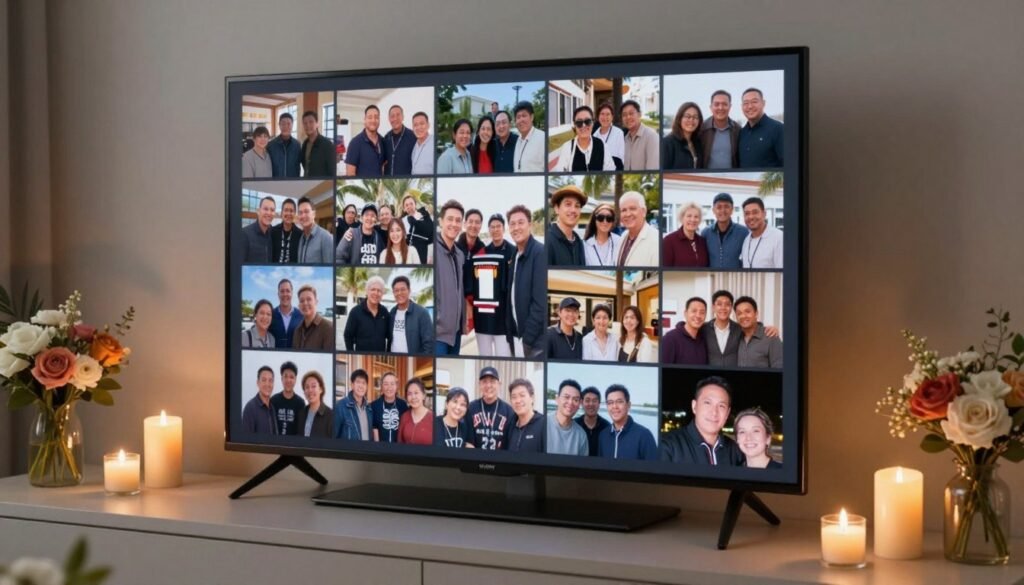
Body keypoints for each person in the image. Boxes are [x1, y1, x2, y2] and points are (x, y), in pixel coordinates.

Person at [659, 376, 744, 466]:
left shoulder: (735, 450)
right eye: (707, 403)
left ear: (727, 413)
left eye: (721, 406)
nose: (714, 412)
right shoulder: (668, 446)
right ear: (694, 406)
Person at [506, 204, 547, 359]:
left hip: (534, 343)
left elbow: (540, 304)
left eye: (520, 222)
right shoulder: (515, 255)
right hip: (517, 338)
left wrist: (527, 340)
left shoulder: (540, 253)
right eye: (512, 224)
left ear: (530, 225)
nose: (516, 227)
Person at [477, 214, 514, 357]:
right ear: (488, 230)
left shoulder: (513, 251)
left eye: (498, 226)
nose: (495, 229)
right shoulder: (483, 252)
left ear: (504, 228)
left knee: (503, 355)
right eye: (492, 227)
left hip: (504, 318)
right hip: (485, 315)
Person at [435, 200, 466, 355]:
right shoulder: (432, 250)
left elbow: (459, 289)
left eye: (458, 220)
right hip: (438, 334)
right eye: (450, 219)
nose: (454, 224)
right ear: (441, 221)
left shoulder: (460, 254)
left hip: (456, 332)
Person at [597, 384, 657, 460]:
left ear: (628, 405)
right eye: (610, 403)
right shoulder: (603, 435)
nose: (614, 406)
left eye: (619, 402)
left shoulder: (644, 435)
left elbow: (653, 469)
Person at [554, 105, 614, 172]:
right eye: (579, 122)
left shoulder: (602, 145)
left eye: (587, 121)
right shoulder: (567, 147)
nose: (583, 125)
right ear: (574, 125)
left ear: (592, 123)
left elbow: (610, 169)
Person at [456, 209, 486, 341]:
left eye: (477, 222)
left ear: (481, 225)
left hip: (477, 302)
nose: (474, 225)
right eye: (471, 222)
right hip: (458, 302)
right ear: (464, 224)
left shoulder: (484, 250)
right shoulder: (455, 248)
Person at [468, 367, 514, 450]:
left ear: (499, 384)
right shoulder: (470, 408)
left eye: (492, 381)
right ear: (479, 385)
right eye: (484, 382)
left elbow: (510, 442)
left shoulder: (509, 411)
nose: (488, 386)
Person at [737, 88, 784, 168]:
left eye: (754, 102)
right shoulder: (741, 133)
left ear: (763, 103)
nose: (750, 106)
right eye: (746, 103)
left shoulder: (778, 129)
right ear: (742, 106)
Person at [342, 276, 391, 352]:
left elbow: (389, 336)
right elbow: (348, 336)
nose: (376, 293)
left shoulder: (385, 312)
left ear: (382, 294)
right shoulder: (355, 312)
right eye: (373, 289)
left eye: (379, 290)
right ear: (367, 291)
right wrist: (351, 354)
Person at [701, 193, 748, 269]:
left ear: (732, 209)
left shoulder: (743, 232)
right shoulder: (706, 233)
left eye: (726, 207)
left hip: (735, 278)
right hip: (712, 278)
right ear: (713, 210)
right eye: (719, 207)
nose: (723, 210)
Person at [735, 296, 783, 368]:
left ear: (756, 313)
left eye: (747, 312)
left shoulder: (771, 336)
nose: (743, 316)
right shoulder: (734, 337)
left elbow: (779, 368)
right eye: (739, 313)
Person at [389, 275, 433, 354]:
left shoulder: (422, 313)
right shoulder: (392, 313)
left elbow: (429, 344)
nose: (399, 293)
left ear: (409, 291)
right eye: (396, 290)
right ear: (393, 293)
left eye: (403, 289)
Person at [546, 185, 586, 266]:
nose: (573, 210)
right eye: (568, 204)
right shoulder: (548, 241)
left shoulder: (579, 242)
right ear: (557, 208)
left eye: (577, 206)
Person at [661, 297, 709, 365]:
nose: (698, 315)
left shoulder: (704, 339)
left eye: (702, 312)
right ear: (685, 313)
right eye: (694, 311)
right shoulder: (669, 339)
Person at [699, 90, 740, 169]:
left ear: (730, 106)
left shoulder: (737, 130)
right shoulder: (701, 129)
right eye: (716, 104)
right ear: (711, 107)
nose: (720, 108)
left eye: (724, 104)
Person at [546, 380, 588, 456]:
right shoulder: (542, 424)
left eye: (575, 400)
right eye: (566, 397)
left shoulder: (581, 435)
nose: (570, 402)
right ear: (557, 399)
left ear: (579, 404)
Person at [616, 191, 658, 267]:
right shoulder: (623, 236)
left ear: (644, 211)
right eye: (624, 210)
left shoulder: (657, 240)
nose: (628, 214)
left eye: (632, 209)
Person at [740, 197, 783, 269]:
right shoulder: (746, 240)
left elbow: (783, 273)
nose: (751, 217)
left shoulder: (779, 238)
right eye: (747, 214)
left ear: (764, 214)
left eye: (755, 212)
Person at [662, 202, 709, 267]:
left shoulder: (702, 242)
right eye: (689, 216)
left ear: (700, 220)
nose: (693, 220)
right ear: (682, 218)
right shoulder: (668, 241)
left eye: (696, 217)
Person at [345, 105, 384, 177]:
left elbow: (383, 166)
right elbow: (350, 174)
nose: (373, 120)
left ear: (379, 120)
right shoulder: (355, 143)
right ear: (365, 120)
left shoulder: (383, 141)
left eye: (376, 117)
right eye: (370, 117)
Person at [662, 102, 704, 170]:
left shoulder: (698, 143)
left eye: (695, 117)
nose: (691, 120)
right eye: (687, 116)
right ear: (679, 118)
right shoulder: (667, 143)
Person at [291, 284, 333, 350]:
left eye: (309, 299)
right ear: (299, 305)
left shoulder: (329, 328)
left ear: (316, 302)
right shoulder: (297, 330)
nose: (305, 303)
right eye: (301, 301)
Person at [508, 379, 545, 453]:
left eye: (522, 395)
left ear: (532, 398)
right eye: (514, 397)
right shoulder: (510, 425)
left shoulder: (544, 425)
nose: (518, 401)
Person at [370, 371, 407, 443]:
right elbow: (375, 428)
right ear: (382, 387)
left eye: (392, 384)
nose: (389, 387)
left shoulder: (403, 405)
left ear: (397, 387)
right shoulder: (374, 405)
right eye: (386, 384)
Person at [620, 100, 658, 171]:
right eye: (624, 115)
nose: (628, 117)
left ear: (639, 114)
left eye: (631, 113)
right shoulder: (625, 139)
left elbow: (653, 169)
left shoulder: (651, 136)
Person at [334, 369, 371, 440]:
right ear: (352, 385)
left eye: (364, 383)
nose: (361, 386)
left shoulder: (369, 408)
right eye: (358, 382)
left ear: (366, 386)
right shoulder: (340, 406)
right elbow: (334, 436)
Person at [270, 361, 305, 436]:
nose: (288, 380)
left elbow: (301, 431)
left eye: (291, 377)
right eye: (285, 376)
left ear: (295, 379)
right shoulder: (273, 400)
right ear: (281, 378)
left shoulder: (300, 403)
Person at [295, 196, 334, 263]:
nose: (303, 215)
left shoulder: (326, 238)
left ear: (314, 214)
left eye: (306, 211)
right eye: (300, 213)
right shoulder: (301, 238)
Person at [583, 203, 622, 267]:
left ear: (612, 221)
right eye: (600, 217)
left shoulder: (619, 242)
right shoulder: (585, 245)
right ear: (594, 220)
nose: (605, 221)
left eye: (609, 218)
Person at [575, 386, 610, 457]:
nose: (591, 404)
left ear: (599, 404)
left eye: (594, 401)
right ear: (582, 403)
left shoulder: (607, 427)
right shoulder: (575, 424)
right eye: (587, 400)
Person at [296, 370, 332, 438]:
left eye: (313, 386)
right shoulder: (301, 414)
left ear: (321, 389)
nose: (310, 390)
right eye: (307, 387)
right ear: (304, 392)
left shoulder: (330, 416)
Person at [241, 365, 277, 434]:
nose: (267, 384)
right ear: (258, 383)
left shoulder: (272, 408)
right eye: (264, 380)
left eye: (270, 381)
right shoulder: (250, 408)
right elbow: (245, 441)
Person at [300, 110, 336, 177]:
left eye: (311, 122)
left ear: (317, 124)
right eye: (305, 123)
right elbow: (305, 165)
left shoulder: (327, 144)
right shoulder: (305, 144)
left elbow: (332, 171)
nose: (308, 125)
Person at [398, 377, 433, 445]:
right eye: (409, 394)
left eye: (416, 393)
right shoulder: (404, 416)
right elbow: (400, 442)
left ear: (423, 395)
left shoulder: (433, 418)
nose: (413, 397)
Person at [512, 101, 545, 172]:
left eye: (524, 116)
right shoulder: (518, 140)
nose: (521, 120)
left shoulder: (542, 138)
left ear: (532, 117)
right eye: (518, 117)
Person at [382, 105, 415, 176]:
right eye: (392, 116)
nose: (395, 118)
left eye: (398, 115)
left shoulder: (413, 136)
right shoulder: (386, 137)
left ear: (403, 117)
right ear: (389, 119)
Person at [269, 279, 302, 349]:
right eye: (282, 291)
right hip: (274, 357)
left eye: (288, 291)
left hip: (295, 358)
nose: (285, 294)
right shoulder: (270, 314)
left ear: (292, 293)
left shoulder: (301, 315)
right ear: (278, 294)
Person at [401, 194, 433, 265]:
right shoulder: (402, 221)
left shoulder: (424, 216)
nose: (409, 206)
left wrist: (430, 256)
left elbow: (431, 236)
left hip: (423, 255)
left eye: (411, 204)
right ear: (404, 208)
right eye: (406, 205)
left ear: (415, 204)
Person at [240, 196, 274, 263]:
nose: (269, 213)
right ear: (258, 211)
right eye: (265, 209)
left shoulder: (272, 233)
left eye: (272, 210)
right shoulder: (244, 234)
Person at [268, 112, 302, 177]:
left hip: (293, 183)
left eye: (288, 124)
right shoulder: (271, 145)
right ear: (279, 125)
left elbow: (299, 165)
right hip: (276, 183)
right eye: (283, 124)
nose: (285, 126)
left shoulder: (297, 145)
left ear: (292, 125)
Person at [593, 102, 624, 170]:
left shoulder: (618, 133)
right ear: (598, 117)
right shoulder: (594, 136)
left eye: (608, 114)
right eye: (602, 114)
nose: (605, 117)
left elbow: (622, 157)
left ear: (612, 117)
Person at [270, 198, 301, 264]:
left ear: (295, 213)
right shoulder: (273, 231)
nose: (288, 213)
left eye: (291, 211)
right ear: (281, 213)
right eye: (286, 210)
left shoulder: (300, 234)